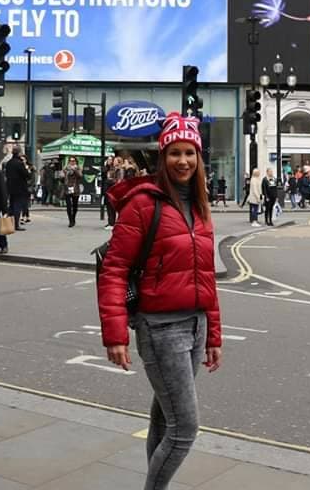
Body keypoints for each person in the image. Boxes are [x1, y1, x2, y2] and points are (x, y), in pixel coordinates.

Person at [98, 112, 222, 489]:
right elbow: (114, 269)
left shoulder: (200, 205)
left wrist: (213, 335)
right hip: (161, 329)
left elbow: (206, 276)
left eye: (189, 153)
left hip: (196, 324)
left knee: (165, 421)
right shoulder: (142, 205)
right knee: (184, 429)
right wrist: (115, 335)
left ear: (199, 158)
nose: (182, 161)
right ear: (162, 156)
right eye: (174, 153)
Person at [5, 147, 30, 232]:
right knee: (17, 206)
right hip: (20, 188)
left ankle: (10, 223)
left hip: (10, 187)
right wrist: (27, 170)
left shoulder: (8, 163)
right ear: (19, 153)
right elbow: (26, 175)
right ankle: (16, 224)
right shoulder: (19, 163)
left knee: (11, 205)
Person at [61, 157, 83, 227]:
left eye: (73, 161)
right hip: (67, 188)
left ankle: (73, 218)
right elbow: (61, 178)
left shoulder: (78, 168)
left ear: (76, 162)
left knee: (75, 206)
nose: (72, 162)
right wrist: (62, 175)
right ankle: (70, 221)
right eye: (70, 161)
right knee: (68, 206)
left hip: (75, 189)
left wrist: (75, 170)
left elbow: (80, 176)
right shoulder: (65, 168)